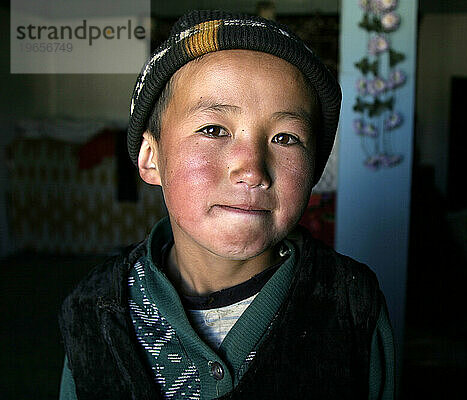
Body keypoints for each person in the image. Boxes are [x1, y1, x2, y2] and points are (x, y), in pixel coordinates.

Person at [59, 9, 395, 400]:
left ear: (313, 170)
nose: (252, 170)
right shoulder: (93, 310)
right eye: (213, 130)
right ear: (151, 158)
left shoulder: (351, 302)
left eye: (286, 138)